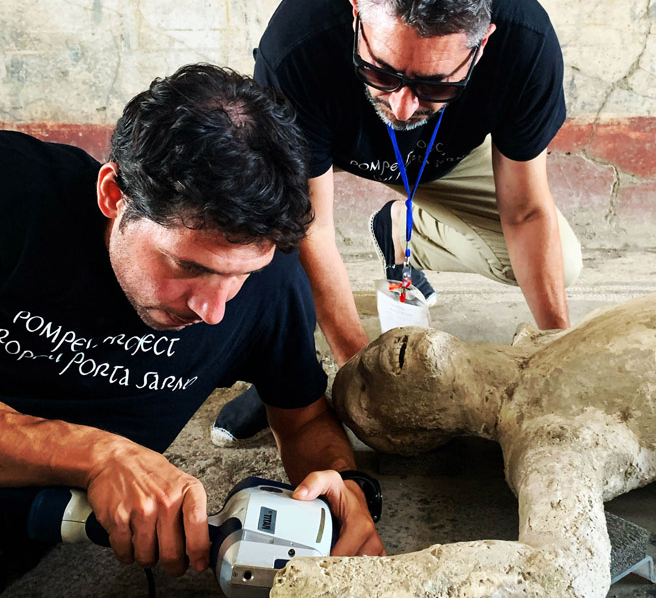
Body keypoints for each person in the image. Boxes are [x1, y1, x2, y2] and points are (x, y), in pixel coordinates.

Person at [0, 63, 383, 591]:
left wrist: (345, 486)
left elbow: (303, 422)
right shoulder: (13, 194)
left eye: (241, 274)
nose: (214, 310)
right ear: (114, 195)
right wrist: (95, 455)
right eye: (190, 267)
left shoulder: (272, 288)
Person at [212, 0, 583, 445]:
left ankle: (404, 231)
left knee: (562, 265)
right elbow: (312, 226)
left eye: (436, 85)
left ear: (482, 44)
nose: (403, 107)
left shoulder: (527, 41)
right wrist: (363, 381)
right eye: (380, 72)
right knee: (259, 224)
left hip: (445, 157)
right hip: (324, 142)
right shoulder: (298, 43)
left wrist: (560, 357)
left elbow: (524, 212)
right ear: (355, 10)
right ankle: (284, 365)